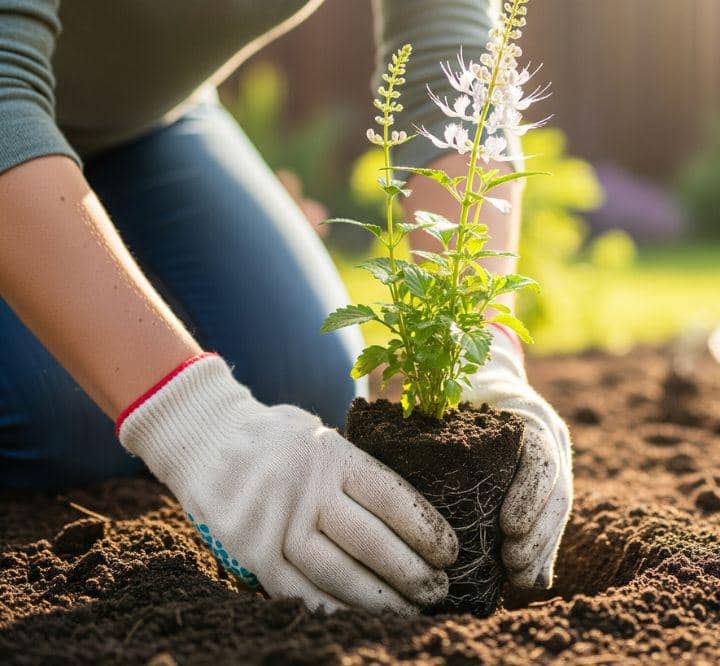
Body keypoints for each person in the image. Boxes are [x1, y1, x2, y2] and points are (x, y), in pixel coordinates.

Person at [0, 0, 572, 615]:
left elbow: (450, 54)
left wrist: (473, 352)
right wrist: (198, 424)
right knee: (57, 417)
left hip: (144, 123)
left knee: (307, 380)